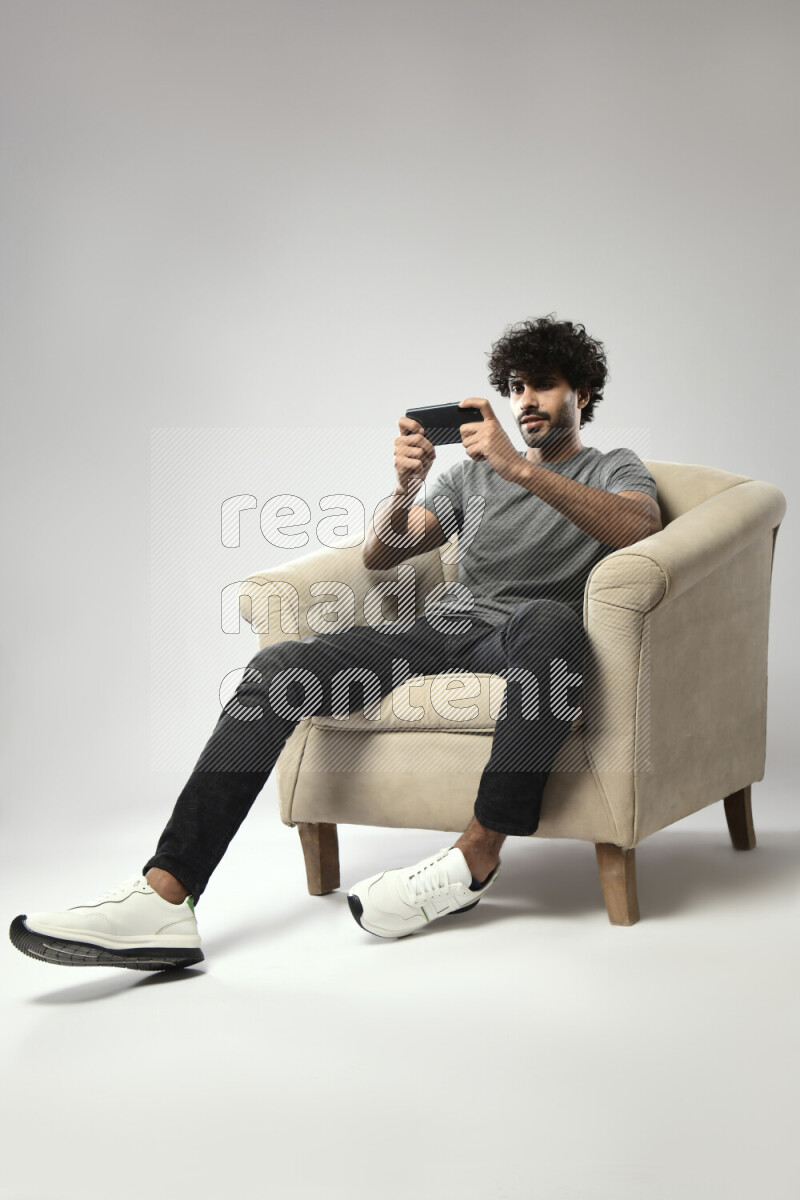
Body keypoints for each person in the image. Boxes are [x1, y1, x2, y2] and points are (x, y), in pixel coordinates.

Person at [9, 314, 661, 971]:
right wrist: (406, 487)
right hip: (445, 628)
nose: (525, 402)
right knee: (277, 668)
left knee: (554, 627)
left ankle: (476, 855)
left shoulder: (612, 468)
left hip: (527, 633)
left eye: (542, 387)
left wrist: (521, 471)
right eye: (516, 388)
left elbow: (638, 528)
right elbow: (385, 553)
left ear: (581, 392)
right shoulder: (470, 478)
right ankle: (165, 898)